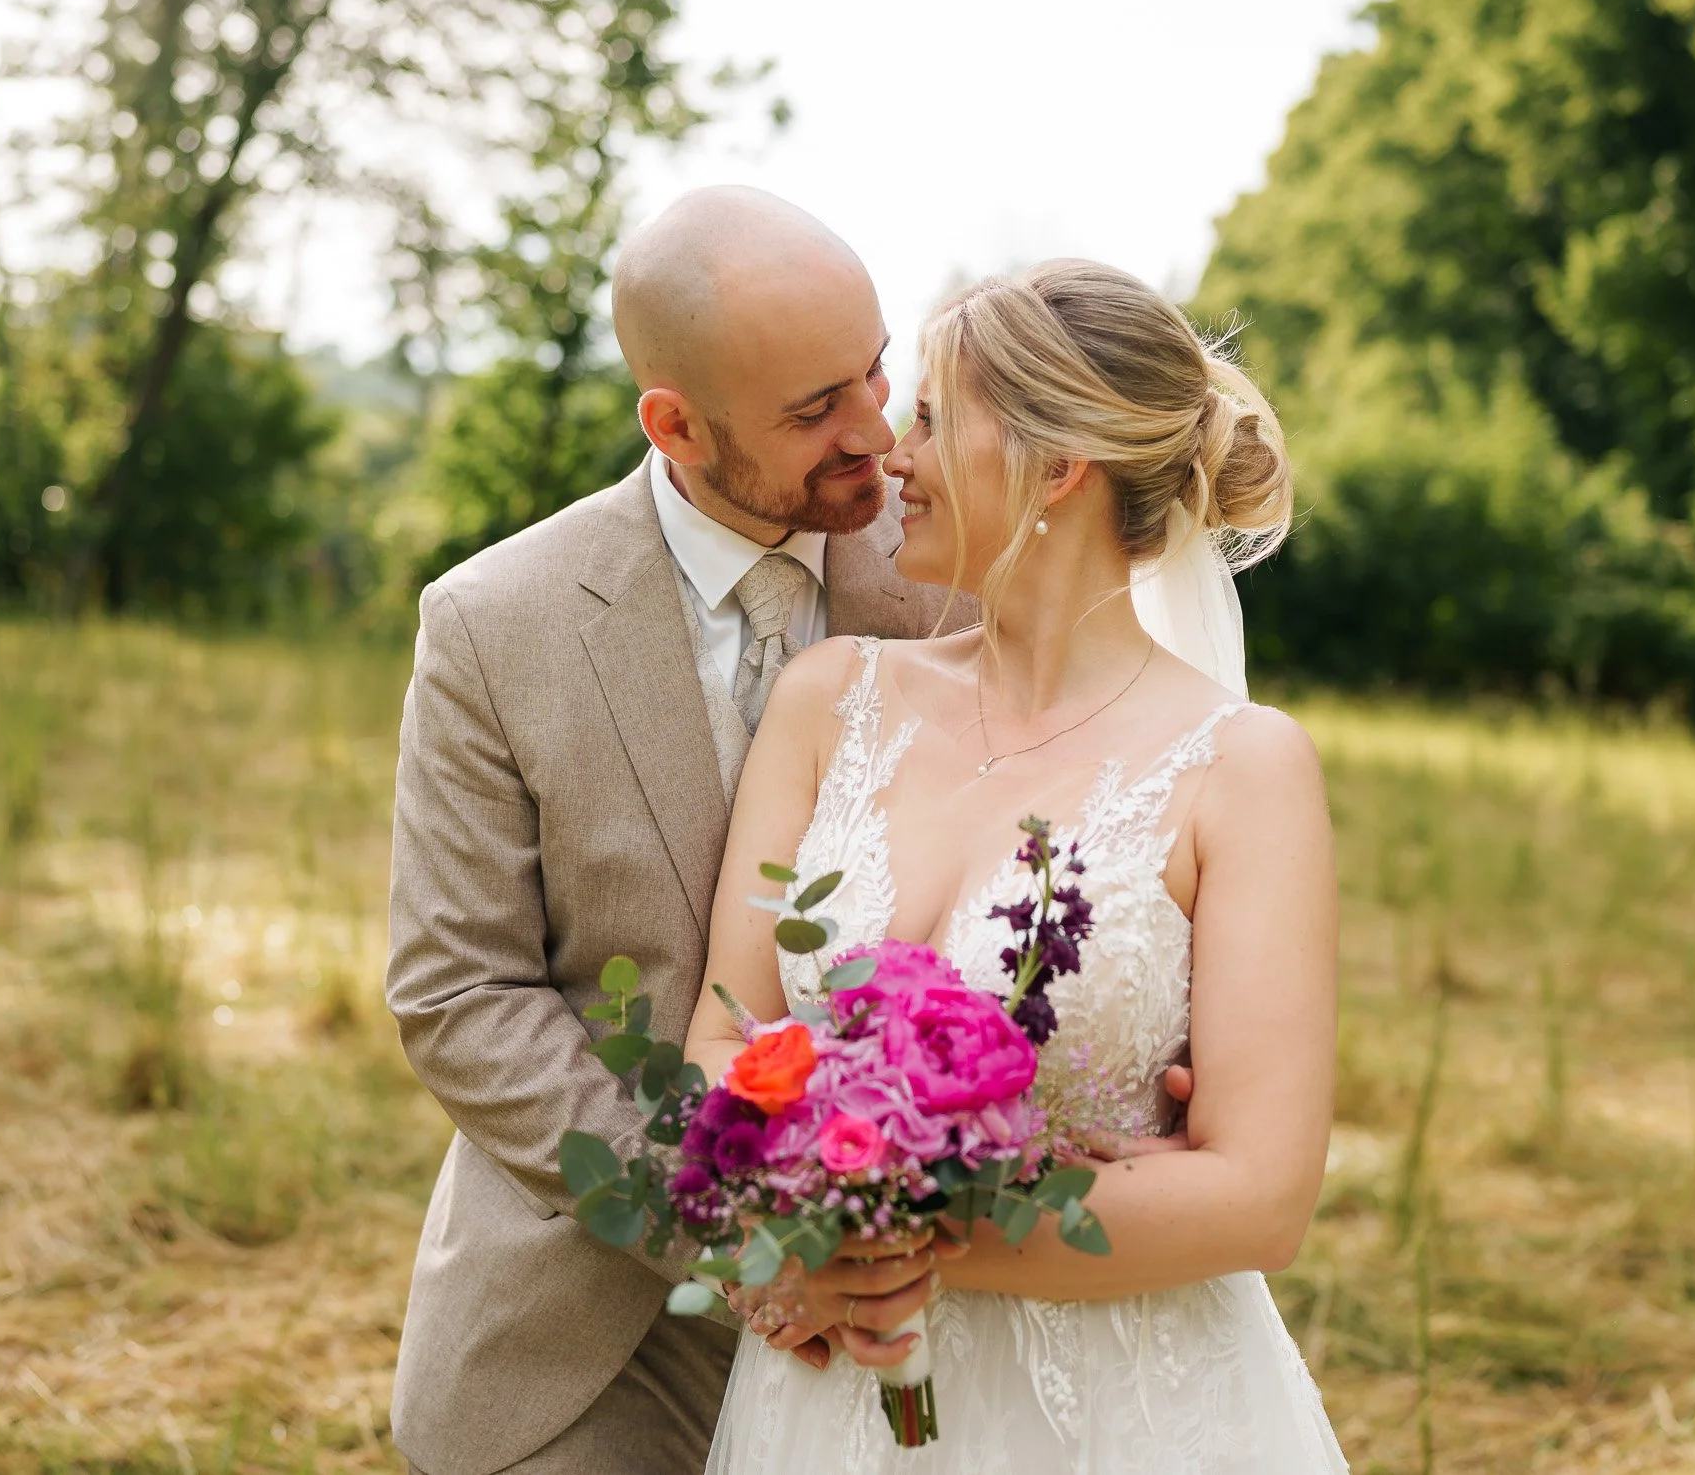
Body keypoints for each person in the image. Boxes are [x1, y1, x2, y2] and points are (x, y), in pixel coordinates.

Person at [683, 259, 1348, 1470]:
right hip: (827, 1400)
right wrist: (799, 1237)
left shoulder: (1241, 769)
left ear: (1057, 466)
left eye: (931, 417)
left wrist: (880, 1245)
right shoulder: (830, 701)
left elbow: (1261, 1193)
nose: (893, 450)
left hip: (1116, 1410)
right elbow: (724, 1046)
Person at [383, 188, 976, 1475]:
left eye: (875, 369)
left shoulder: (958, 574)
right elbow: (459, 993)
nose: (874, 431)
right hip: (596, 1314)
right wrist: (736, 1234)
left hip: (938, 1301)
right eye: (814, 409)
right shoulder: (495, 624)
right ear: (675, 424)